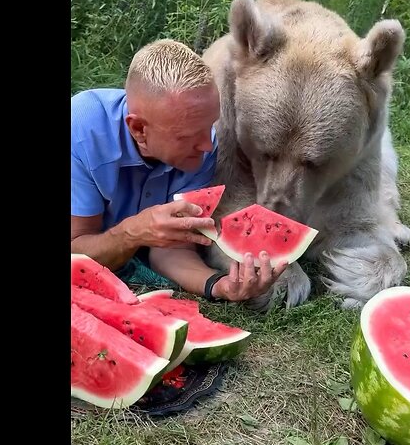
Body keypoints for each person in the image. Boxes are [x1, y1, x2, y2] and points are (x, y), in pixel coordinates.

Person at [71, 39, 287, 303]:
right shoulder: (82, 131)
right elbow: (75, 251)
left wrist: (218, 285)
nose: (208, 145)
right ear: (139, 129)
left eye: (209, 127)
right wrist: (133, 232)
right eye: (189, 136)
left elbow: (173, 249)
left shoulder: (202, 149)